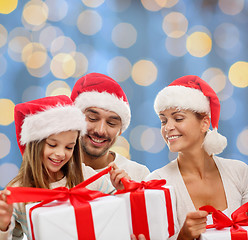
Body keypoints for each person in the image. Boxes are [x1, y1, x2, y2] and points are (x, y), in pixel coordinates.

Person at [0, 95, 127, 240]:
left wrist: (122, 191)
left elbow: (116, 214)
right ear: (35, 145)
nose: (60, 154)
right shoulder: (18, 192)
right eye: (52, 145)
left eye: (69, 147)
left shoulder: (87, 176)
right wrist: (3, 226)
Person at [145, 75, 248, 239]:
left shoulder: (240, 172)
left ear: (205, 123)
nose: (168, 127)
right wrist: (183, 237)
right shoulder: (157, 183)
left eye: (178, 118)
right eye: (163, 121)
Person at [71, 72, 150, 182]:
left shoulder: (138, 175)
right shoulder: (52, 170)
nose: (100, 130)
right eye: (92, 118)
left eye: (111, 123)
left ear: (121, 130)